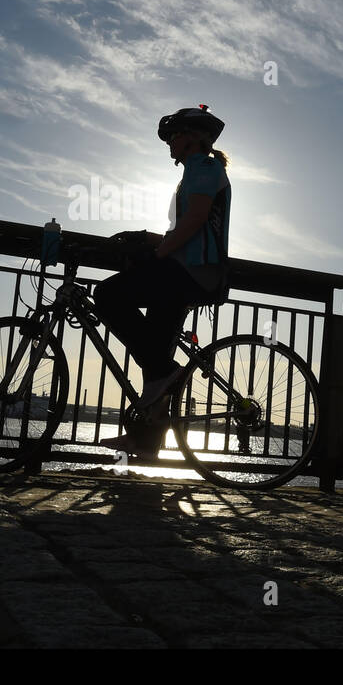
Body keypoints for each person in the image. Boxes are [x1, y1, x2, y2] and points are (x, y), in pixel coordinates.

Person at [93, 105, 231, 456]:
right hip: (188, 271)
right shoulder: (194, 173)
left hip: (189, 272)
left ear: (194, 138)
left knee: (108, 294)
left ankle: (166, 373)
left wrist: (156, 254)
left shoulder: (204, 166)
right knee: (153, 351)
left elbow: (196, 219)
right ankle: (146, 438)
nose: (169, 142)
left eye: (175, 135)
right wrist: (145, 237)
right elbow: (181, 230)